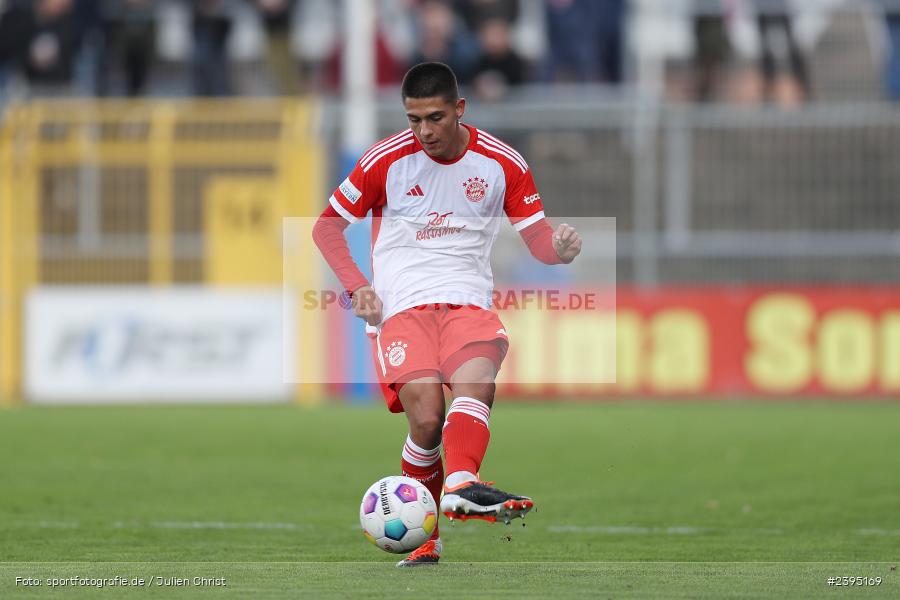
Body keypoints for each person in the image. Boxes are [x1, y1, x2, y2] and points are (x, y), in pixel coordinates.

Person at [312, 62, 582, 566]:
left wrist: (560, 249)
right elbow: (326, 227)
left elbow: (539, 240)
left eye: (434, 118)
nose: (424, 131)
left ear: (459, 109)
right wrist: (357, 288)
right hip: (401, 307)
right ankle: (429, 536)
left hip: (468, 301)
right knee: (428, 419)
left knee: (475, 382)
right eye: (413, 119)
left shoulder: (502, 163)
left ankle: (460, 484)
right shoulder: (385, 160)